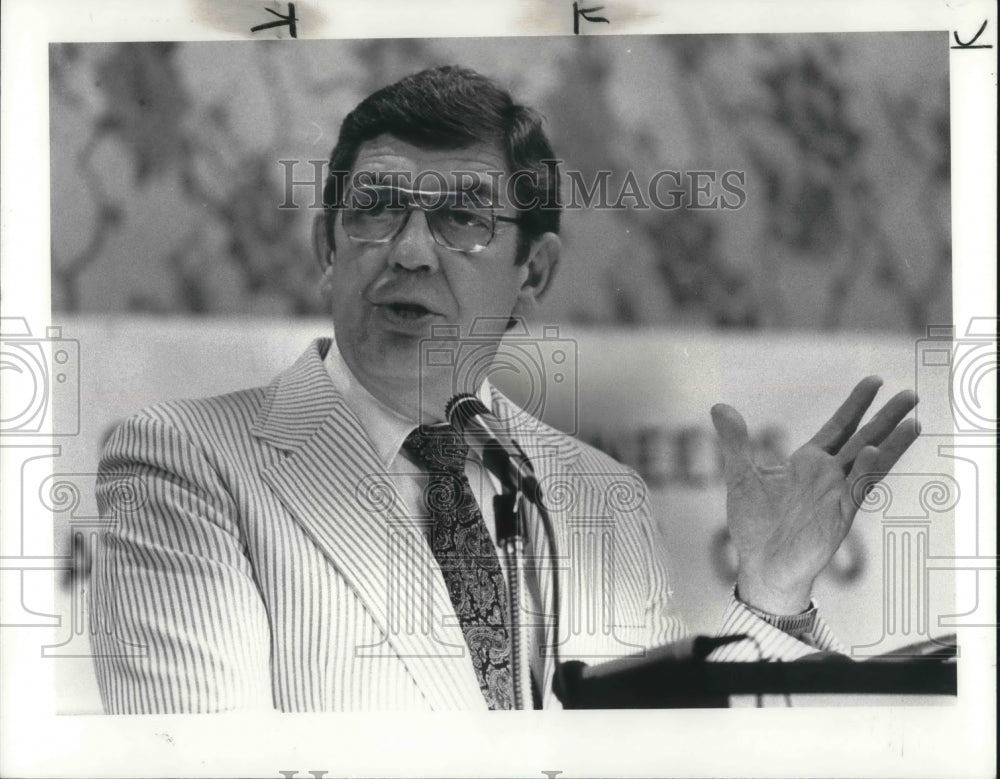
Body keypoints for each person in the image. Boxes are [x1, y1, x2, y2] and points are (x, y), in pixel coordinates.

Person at [89, 66, 920, 713]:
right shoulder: (185, 461)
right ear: (326, 246)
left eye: (461, 219)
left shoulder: (600, 493)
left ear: (535, 273)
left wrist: (772, 597)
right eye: (375, 209)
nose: (410, 251)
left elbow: (658, 753)